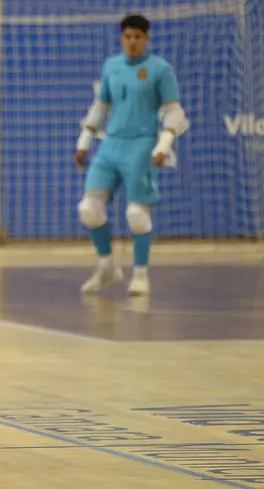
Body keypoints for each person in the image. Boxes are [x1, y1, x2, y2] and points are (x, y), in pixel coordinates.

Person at [74, 14, 189, 296]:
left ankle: (140, 275)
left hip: (141, 144)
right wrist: (84, 141)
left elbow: (174, 111)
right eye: (127, 36)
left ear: (146, 39)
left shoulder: (159, 69)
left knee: (136, 213)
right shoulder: (111, 66)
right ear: (121, 38)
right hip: (112, 144)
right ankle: (107, 267)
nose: (132, 41)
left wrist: (163, 145)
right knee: (89, 209)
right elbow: (101, 105)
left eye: (138, 36)